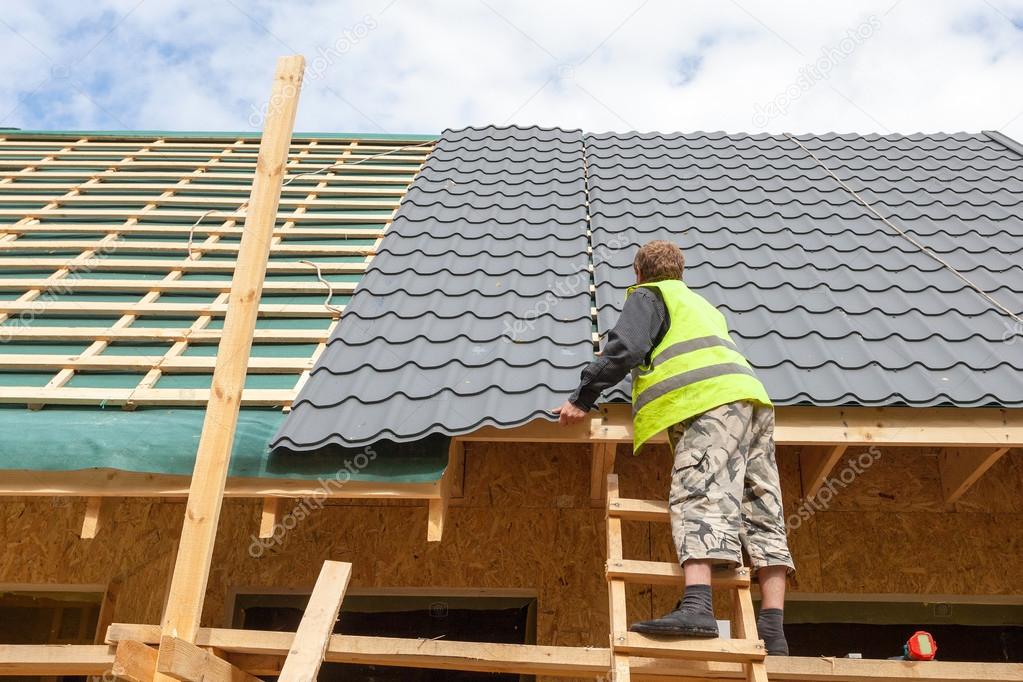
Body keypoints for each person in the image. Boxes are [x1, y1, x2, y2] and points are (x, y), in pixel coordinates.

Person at [552, 240, 794, 655]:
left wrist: (582, 397)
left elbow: (625, 349)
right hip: (752, 400)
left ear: (639, 273)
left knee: (697, 491)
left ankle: (698, 606)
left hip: (708, 403)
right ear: (680, 272)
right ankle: (773, 632)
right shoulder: (703, 306)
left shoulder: (649, 295)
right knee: (761, 507)